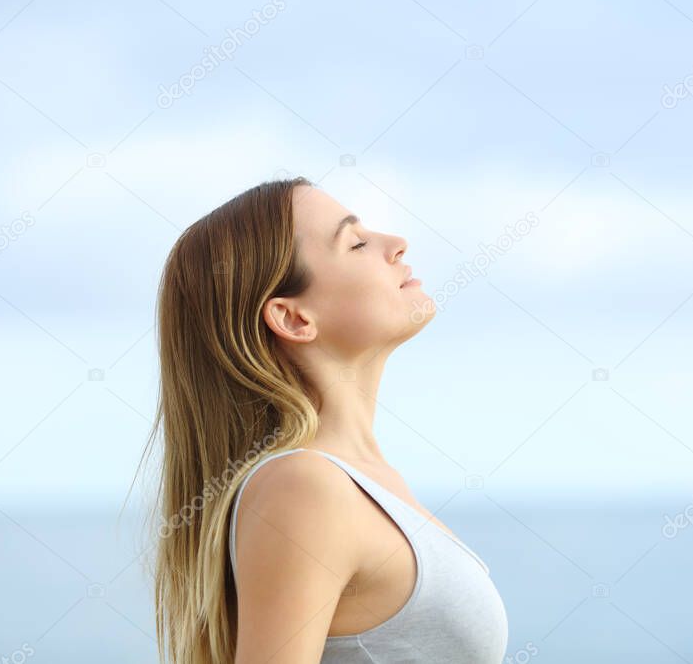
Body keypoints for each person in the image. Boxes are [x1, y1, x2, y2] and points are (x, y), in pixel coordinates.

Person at [142, 176, 509, 663]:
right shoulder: (304, 487)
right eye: (356, 242)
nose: (396, 244)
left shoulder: (363, 482)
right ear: (293, 318)